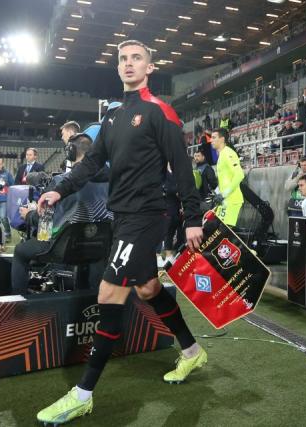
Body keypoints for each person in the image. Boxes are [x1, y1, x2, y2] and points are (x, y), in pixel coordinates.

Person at [35, 40, 206, 424]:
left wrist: (193, 218)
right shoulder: (112, 117)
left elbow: (181, 168)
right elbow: (91, 164)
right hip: (122, 217)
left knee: (109, 292)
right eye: (123, 59)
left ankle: (83, 394)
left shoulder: (159, 111)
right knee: (147, 288)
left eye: (136, 59)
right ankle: (193, 352)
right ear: (118, 68)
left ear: (149, 67)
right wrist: (59, 188)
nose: (129, 64)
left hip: (148, 216)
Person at [11, 133, 111, 294]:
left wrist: (28, 215)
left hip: (63, 248)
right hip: (101, 246)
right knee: (93, 255)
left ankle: (19, 304)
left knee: (20, 252)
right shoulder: (112, 181)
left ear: (70, 152)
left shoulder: (61, 183)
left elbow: (45, 222)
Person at [210, 128, 244, 227]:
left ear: (222, 139)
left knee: (223, 233)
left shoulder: (228, 153)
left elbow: (239, 175)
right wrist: (217, 193)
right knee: (216, 233)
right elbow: (224, 180)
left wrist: (223, 194)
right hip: (225, 201)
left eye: (214, 137)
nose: (211, 140)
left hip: (231, 200)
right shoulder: (222, 154)